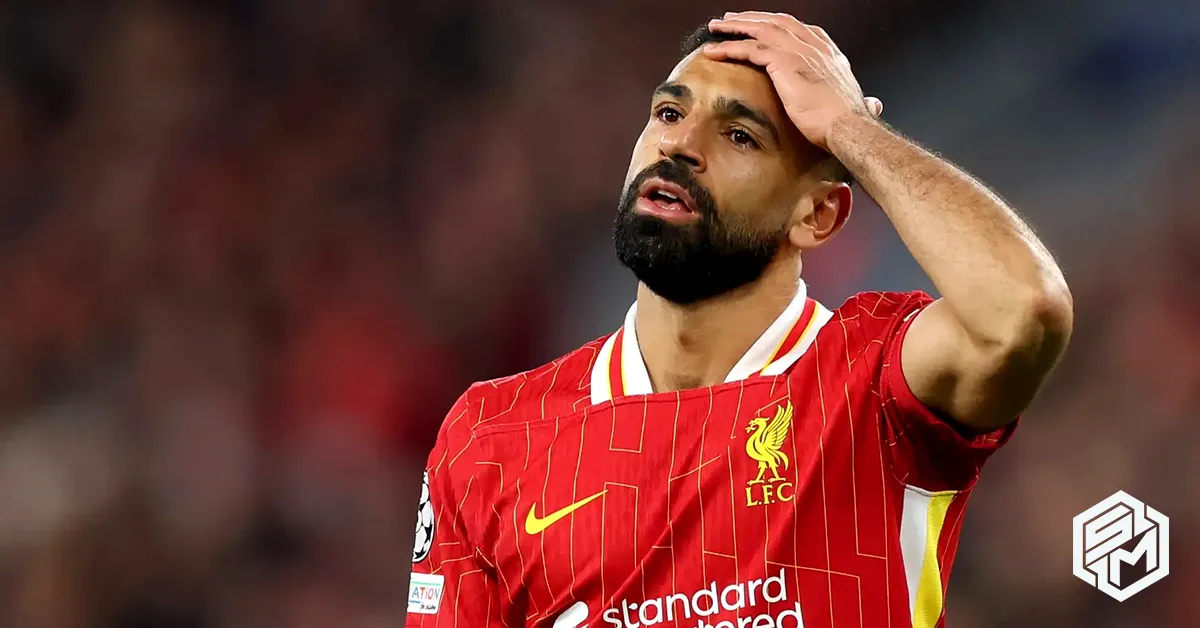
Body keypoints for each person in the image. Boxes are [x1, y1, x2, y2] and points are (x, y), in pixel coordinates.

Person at [406, 11, 1072, 628]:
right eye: (669, 112)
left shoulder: (873, 382)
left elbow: (1023, 311)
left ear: (818, 215)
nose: (680, 145)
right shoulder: (491, 438)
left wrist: (850, 130)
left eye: (739, 136)